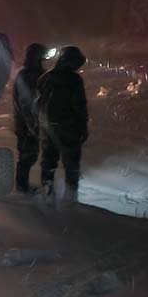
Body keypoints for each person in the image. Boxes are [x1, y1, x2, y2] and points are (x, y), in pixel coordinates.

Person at [37, 45, 89, 203]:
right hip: (69, 128)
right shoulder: (74, 80)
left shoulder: (45, 78)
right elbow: (79, 105)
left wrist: (40, 124)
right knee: (71, 164)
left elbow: (38, 103)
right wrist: (83, 127)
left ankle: (47, 192)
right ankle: (71, 197)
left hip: (49, 128)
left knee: (48, 162)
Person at [12, 43, 47, 193]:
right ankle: (22, 186)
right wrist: (30, 123)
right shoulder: (28, 75)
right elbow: (24, 102)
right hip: (27, 123)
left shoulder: (33, 74)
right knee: (27, 156)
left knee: (29, 155)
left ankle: (23, 185)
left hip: (30, 122)